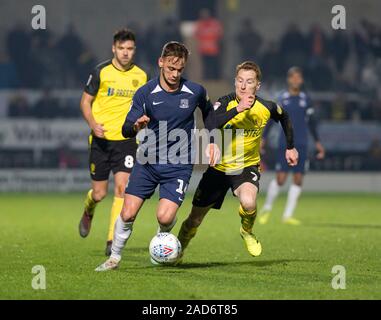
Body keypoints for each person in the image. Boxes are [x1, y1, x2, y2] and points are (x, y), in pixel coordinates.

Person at [95, 41, 219, 271]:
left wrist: (212, 142)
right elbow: (125, 128)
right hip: (148, 162)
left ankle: (162, 243)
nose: (175, 74)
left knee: (164, 217)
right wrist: (136, 125)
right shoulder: (146, 93)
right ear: (161, 62)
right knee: (128, 212)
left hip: (179, 165)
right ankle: (114, 258)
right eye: (171, 68)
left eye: (180, 69)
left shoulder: (195, 91)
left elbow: (209, 113)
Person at [176, 61, 298, 261]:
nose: (243, 86)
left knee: (249, 203)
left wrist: (290, 147)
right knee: (194, 220)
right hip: (218, 169)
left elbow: (284, 116)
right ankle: (177, 251)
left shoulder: (265, 107)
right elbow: (211, 122)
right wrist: (238, 109)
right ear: (235, 82)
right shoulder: (225, 102)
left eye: (249, 82)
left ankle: (246, 230)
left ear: (257, 86)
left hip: (245, 167)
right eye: (240, 81)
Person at [78, 29, 148, 256]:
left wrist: (141, 122)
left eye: (130, 49)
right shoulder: (101, 71)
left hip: (126, 141)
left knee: (122, 188)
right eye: (122, 48)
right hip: (101, 140)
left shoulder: (142, 76)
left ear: (134, 50)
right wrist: (93, 124)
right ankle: (89, 208)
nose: (126, 53)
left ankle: (111, 239)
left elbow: (142, 108)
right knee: (99, 194)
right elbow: (85, 102)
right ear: (113, 48)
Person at [259, 66, 325, 225]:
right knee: (281, 178)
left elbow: (312, 123)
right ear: (289, 79)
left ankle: (287, 216)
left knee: (298, 178)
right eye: (293, 77)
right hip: (285, 143)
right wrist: (264, 138)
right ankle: (266, 209)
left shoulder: (306, 99)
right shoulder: (282, 98)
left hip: (302, 143)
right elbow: (271, 120)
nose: (295, 80)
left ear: (301, 80)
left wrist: (317, 142)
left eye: (298, 77)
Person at [194, 9, 223, 80]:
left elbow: (219, 34)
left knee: (214, 64)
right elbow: (196, 35)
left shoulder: (215, 23)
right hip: (204, 49)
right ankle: (207, 78)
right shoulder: (199, 24)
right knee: (205, 65)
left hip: (213, 49)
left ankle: (215, 78)